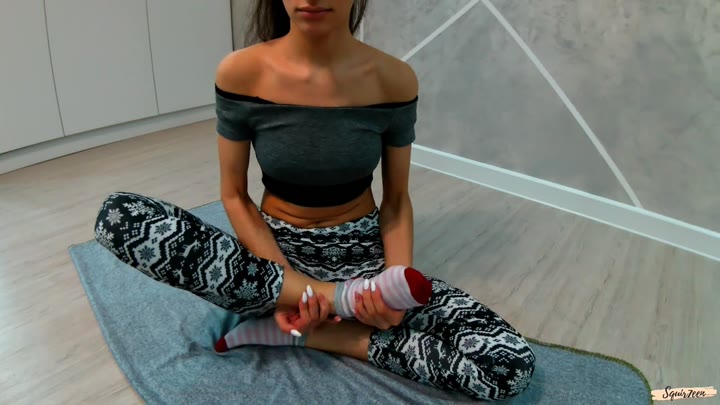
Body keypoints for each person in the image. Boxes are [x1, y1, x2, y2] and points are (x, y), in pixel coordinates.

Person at [93, 0, 535, 400]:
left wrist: (393, 289)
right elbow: (234, 195)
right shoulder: (240, 72)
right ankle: (333, 303)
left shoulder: (393, 79)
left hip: (363, 267)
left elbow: (397, 200)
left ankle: (319, 333)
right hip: (269, 267)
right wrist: (290, 291)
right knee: (120, 217)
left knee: (507, 365)